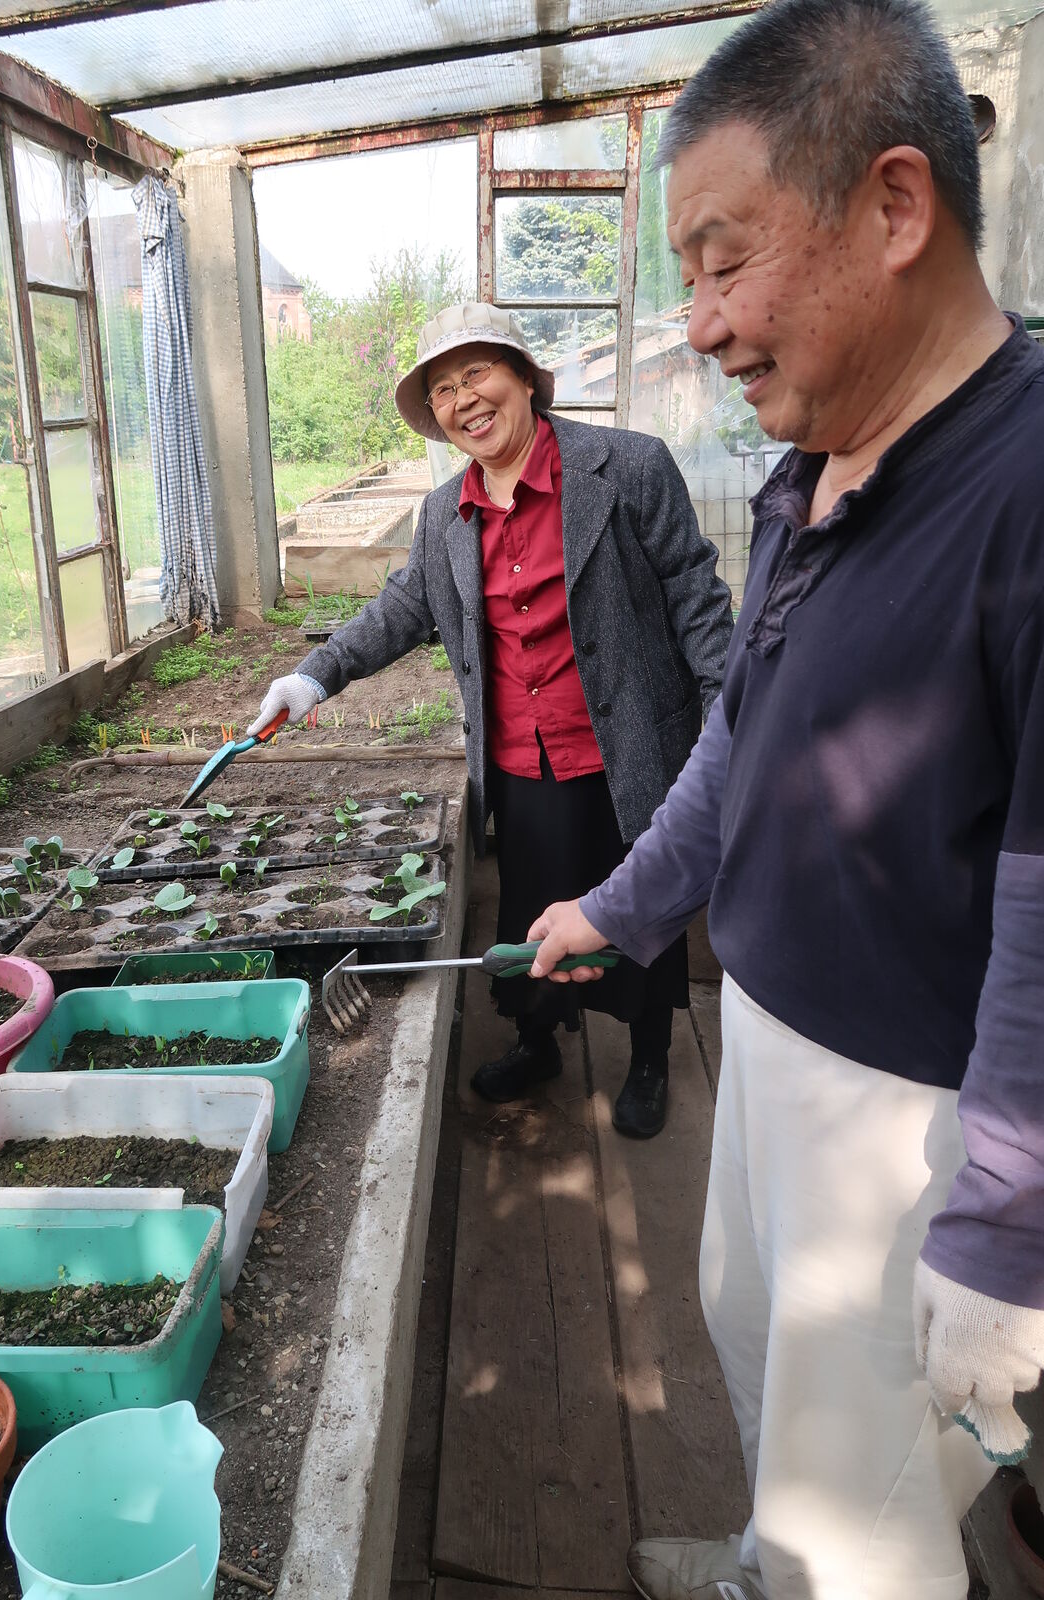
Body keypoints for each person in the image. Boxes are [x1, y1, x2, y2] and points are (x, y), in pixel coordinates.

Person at [527, 0, 1044, 1594]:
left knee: (869, 1495)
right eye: (687, 276)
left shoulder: (1021, 486)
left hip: (909, 1117)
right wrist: (626, 904)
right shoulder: (810, 474)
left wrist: (1006, 1221)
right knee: (758, 1347)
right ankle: (769, 1560)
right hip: (765, 1026)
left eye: (723, 257)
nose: (698, 323)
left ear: (896, 206)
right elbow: (746, 732)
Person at [250, 303, 733, 1137]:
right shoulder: (445, 515)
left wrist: (733, 715)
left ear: (523, 377)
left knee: (642, 907)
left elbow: (695, 594)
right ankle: (540, 1038)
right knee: (537, 907)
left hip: (633, 749)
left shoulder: (628, 468)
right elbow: (401, 609)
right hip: (522, 760)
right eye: (442, 389)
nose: (464, 399)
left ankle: (650, 1055)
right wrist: (311, 677)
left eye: (476, 374)